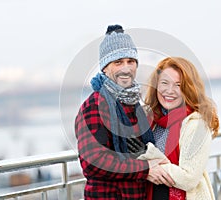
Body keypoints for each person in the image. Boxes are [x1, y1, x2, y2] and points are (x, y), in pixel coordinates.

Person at [74, 25, 174, 200]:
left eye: (130, 61)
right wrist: (145, 170)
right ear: (105, 68)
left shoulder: (133, 103)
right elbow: (93, 161)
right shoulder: (95, 105)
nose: (126, 68)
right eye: (118, 62)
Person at [138, 57, 219, 200]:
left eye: (178, 85)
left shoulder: (196, 124)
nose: (170, 91)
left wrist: (150, 167)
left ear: (188, 89)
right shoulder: (151, 120)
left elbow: (189, 177)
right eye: (164, 83)